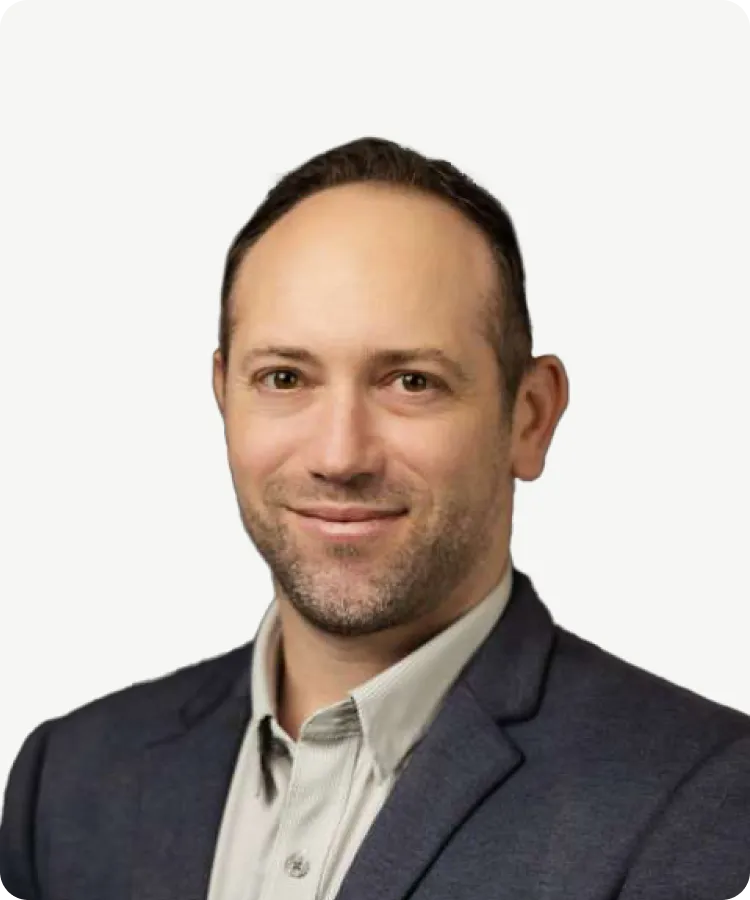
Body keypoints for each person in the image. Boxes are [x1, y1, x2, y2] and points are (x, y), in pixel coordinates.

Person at [1, 137, 749, 900]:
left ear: (529, 418)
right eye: (284, 377)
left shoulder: (709, 806)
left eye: (411, 382)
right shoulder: (67, 784)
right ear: (224, 395)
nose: (339, 454)